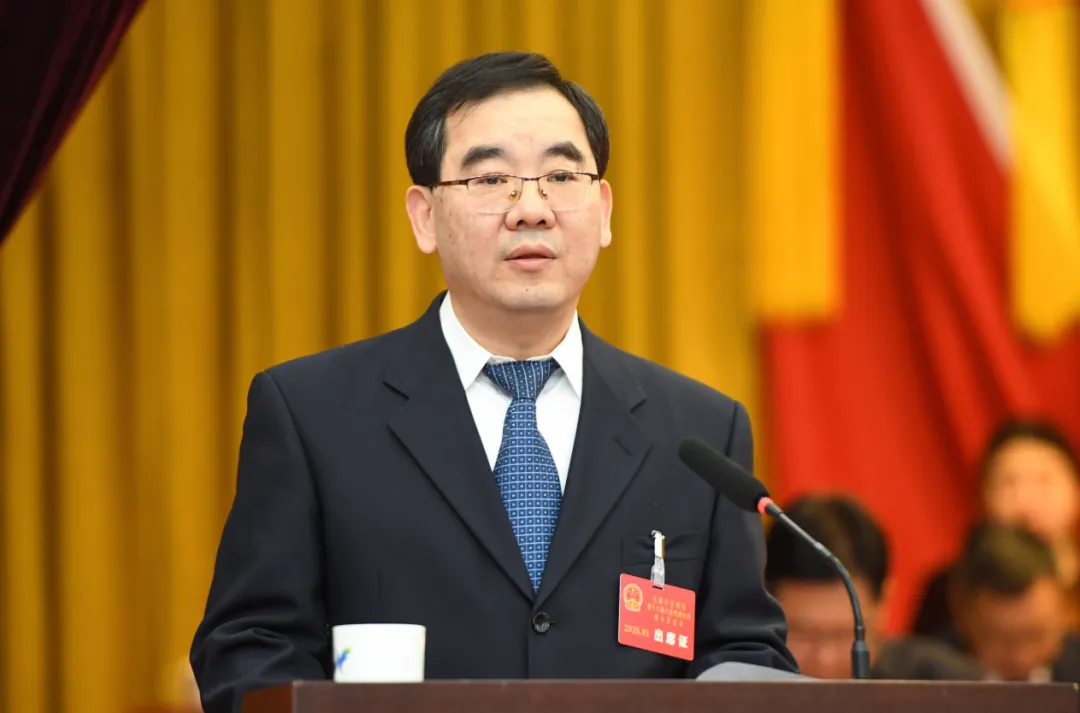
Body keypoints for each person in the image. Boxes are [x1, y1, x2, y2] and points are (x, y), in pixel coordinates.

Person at [189, 51, 796, 713]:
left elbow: (745, 654)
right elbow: (250, 649)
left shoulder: (700, 433)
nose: (531, 209)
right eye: (491, 179)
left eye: (561, 175)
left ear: (603, 209)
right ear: (424, 216)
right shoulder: (312, 415)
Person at [764, 495, 984, 680]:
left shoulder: (950, 690)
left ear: (884, 603)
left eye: (847, 635)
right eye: (804, 634)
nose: (826, 662)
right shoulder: (744, 687)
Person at [912, 419, 1080, 637]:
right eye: (1009, 483)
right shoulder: (950, 589)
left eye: (1043, 481)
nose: (1026, 500)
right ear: (984, 496)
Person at [943, 523, 1080, 682]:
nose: (1022, 659)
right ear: (965, 620)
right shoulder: (930, 674)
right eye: (1002, 640)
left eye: (1036, 636)